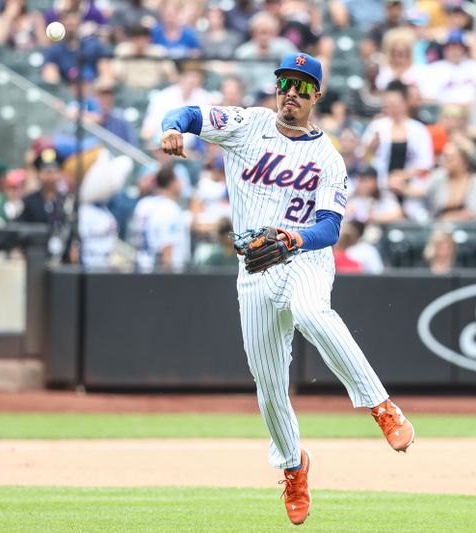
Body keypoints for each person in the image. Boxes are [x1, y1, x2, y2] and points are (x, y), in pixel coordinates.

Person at [159, 52, 415, 526]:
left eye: (302, 87)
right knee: (269, 382)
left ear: (316, 95)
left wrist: (295, 238)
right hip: (254, 269)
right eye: (285, 84)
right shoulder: (248, 124)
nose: (291, 94)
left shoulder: (327, 157)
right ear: (277, 88)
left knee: (312, 313)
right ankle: (294, 467)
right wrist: (172, 128)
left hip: (304, 258)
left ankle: (381, 406)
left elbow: (331, 228)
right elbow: (191, 115)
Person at [361, 81, 434, 190]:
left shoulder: (418, 129)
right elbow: (363, 159)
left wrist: (401, 176)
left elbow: (425, 163)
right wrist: (371, 146)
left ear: (405, 103)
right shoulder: (377, 126)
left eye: (396, 104)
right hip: (379, 186)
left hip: (409, 186)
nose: (392, 108)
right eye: (388, 104)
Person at [131, 166, 189, 272]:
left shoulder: (143, 204)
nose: (182, 183)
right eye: (179, 179)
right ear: (172, 183)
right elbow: (166, 246)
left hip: (140, 267)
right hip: (160, 274)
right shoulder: (170, 208)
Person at [17, 147, 71, 259]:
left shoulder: (68, 200)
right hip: (36, 256)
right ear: (39, 173)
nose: (49, 174)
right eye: (45, 170)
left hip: (63, 258)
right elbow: (18, 226)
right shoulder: (29, 200)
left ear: (60, 173)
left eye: (53, 170)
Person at [422, 137, 476, 222]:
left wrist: (449, 218)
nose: (444, 161)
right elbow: (423, 192)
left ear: (464, 161)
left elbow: (475, 211)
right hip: (437, 226)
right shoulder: (438, 177)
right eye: (444, 156)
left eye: (450, 158)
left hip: (470, 230)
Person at [42, 10, 112, 85]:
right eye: (66, 19)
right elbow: (51, 78)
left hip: (93, 91)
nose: (70, 22)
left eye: (73, 18)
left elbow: (107, 76)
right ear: (61, 23)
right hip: (66, 93)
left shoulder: (94, 46)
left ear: (80, 22)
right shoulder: (54, 51)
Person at [419, 31, 476, 106]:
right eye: (450, 47)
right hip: (446, 113)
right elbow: (428, 98)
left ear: (464, 49)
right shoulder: (433, 69)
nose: (454, 51)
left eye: (458, 47)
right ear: (444, 49)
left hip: (473, 111)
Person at [111, 25, 177, 90]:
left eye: (143, 38)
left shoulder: (158, 51)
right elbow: (116, 74)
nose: (140, 42)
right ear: (131, 39)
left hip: (155, 89)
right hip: (130, 90)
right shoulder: (123, 50)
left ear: (149, 39)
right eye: (137, 39)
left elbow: (171, 73)